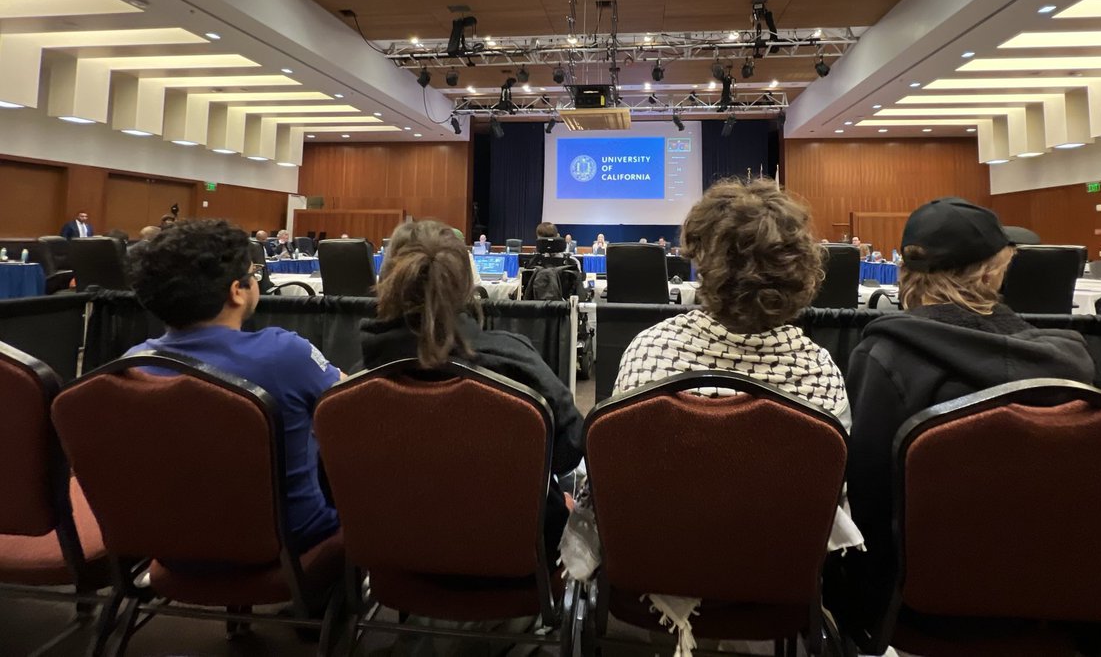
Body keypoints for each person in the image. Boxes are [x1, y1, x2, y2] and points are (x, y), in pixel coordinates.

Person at [842, 197, 1095, 625]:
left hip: (916, 606)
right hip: (1061, 600)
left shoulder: (885, 356)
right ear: (996, 269)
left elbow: (869, 501)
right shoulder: (1073, 366)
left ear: (904, 270)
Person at [361, 220, 584, 553]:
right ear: (466, 282)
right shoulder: (516, 364)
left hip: (398, 557)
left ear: (387, 280)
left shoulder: (356, 385)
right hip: (515, 554)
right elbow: (569, 450)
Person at [124, 219, 342, 551]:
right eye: (253, 275)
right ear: (237, 292)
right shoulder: (285, 353)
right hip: (292, 544)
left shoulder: (129, 366)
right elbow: (354, 402)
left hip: (171, 544)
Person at [615, 178, 849, 425]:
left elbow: (613, 458)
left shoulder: (648, 355)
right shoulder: (822, 379)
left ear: (703, 262)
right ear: (800, 271)